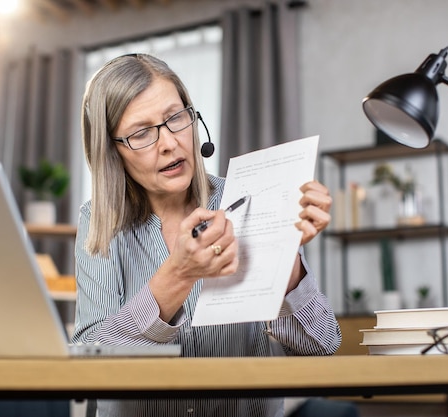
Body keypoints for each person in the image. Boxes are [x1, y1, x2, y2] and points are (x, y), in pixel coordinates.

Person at [72, 53, 342, 417]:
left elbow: (320, 346)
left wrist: (284, 258)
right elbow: (89, 361)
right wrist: (179, 275)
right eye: (141, 133)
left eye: (175, 119)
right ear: (112, 151)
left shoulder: (247, 198)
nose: (169, 143)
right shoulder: (98, 222)